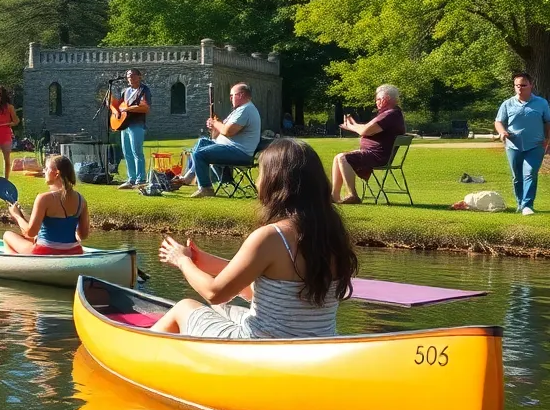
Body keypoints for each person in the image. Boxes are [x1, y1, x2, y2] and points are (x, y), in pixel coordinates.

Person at [152, 138, 357, 338]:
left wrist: (182, 260)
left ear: (275, 181)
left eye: (261, 174)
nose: (258, 182)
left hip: (263, 349)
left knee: (184, 307)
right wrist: (206, 262)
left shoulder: (270, 237)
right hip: (320, 344)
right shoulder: (333, 233)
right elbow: (268, 291)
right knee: (223, 309)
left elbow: (213, 293)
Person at [174, 83, 261, 198]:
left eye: (232, 95)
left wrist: (215, 123)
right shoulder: (240, 110)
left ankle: (206, 188)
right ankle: (189, 176)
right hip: (230, 148)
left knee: (199, 154)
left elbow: (228, 131)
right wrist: (215, 126)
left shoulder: (246, 110)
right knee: (202, 142)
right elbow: (220, 133)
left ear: (241, 95)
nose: (230, 98)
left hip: (240, 152)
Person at [331, 84, 406, 204]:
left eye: (377, 99)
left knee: (343, 158)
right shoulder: (391, 114)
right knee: (337, 158)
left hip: (378, 156)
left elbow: (364, 130)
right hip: (375, 154)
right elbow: (365, 128)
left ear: (385, 98)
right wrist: (353, 125)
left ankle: (352, 195)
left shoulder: (390, 115)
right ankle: (334, 195)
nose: (376, 102)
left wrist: (351, 126)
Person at [3, 155, 91, 255]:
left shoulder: (44, 198)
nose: (44, 171)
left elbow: (30, 233)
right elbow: (83, 235)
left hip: (45, 252)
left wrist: (16, 216)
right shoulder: (81, 200)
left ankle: (20, 267)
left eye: (46, 168)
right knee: (36, 238)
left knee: (7, 235)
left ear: (56, 173)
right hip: (75, 251)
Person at [495, 71, 550, 215]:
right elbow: (499, 121)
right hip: (513, 146)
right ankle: (520, 203)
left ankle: (527, 205)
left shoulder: (541, 103)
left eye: (523, 85)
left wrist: (547, 139)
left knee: (530, 173)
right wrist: (502, 132)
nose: (520, 88)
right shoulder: (507, 104)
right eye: (517, 85)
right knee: (517, 176)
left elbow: (547, 122)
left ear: (531, 85)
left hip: (536, 145)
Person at [111, 69, 151, 189]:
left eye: (133, 76)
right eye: (128, 76)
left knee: (137, 152)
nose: (130, 78)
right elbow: (120, 107)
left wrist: (128, 109)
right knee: (127, 152)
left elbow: (146, 108)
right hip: (125, 125)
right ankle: (131, 179)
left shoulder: (144, 90)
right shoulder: (125, 91)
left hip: (137, 124)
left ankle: (141, 179)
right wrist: (115, 112)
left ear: (139, 77)